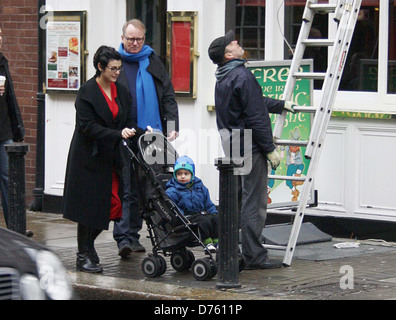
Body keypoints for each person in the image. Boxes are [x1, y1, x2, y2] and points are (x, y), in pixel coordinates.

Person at [208, 30, 296, 270]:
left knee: (236, 199)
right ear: (228, 54)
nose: (238, 43)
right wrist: (269, 149)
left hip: (233, 144)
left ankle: (232, 249)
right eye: (233, 43)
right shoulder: (242, 76)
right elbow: (256, 116)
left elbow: (253, 101)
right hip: (250, 146)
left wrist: (281, 105)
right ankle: (255, 256)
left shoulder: (223, 76)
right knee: (254, 202)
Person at [62, 45, 144, 273]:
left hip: (110, 158)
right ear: (100, 67)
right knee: (89, 208)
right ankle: (83, 255)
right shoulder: (87, 92)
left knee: (113, 205)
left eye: (119, 68)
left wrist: (143, 131)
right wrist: (117, 134)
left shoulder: (121, 92)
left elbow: (125, 121)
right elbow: (87, 127)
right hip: (88, 158)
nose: (117, 73)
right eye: (113, 68)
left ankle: (88, 246)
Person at [114, 19, 179, 257]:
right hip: (124, 134)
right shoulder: (114, 63)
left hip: (151, 134)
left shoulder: (152, 61)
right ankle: (125, 237)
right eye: (130, 39)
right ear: (122, 38)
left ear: (144, 38)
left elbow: (168, 95)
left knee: (152, 186)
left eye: (139, 39)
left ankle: (149, 236)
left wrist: (171, 126)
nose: (134, 43)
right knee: (126, 186)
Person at [166, 156, 218, 252]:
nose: (182, 176)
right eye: (179, 174)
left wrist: (213, 212)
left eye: (186, 174)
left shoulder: (199, 187)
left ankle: (216, 241)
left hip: (198, 213)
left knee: (216, 219)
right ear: (175, 175)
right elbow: (173, 207)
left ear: (192, 174)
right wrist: (181, 217)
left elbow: (208, 202)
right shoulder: (172, 191)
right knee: (203, 221)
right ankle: (207, 242)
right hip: (186, 217)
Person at [0, 26, 25, 228]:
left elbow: (10, 99)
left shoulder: (2, 61)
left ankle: (15, 229)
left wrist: (18, 129)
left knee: (10, 180)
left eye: (0, 35)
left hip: (3, 132)